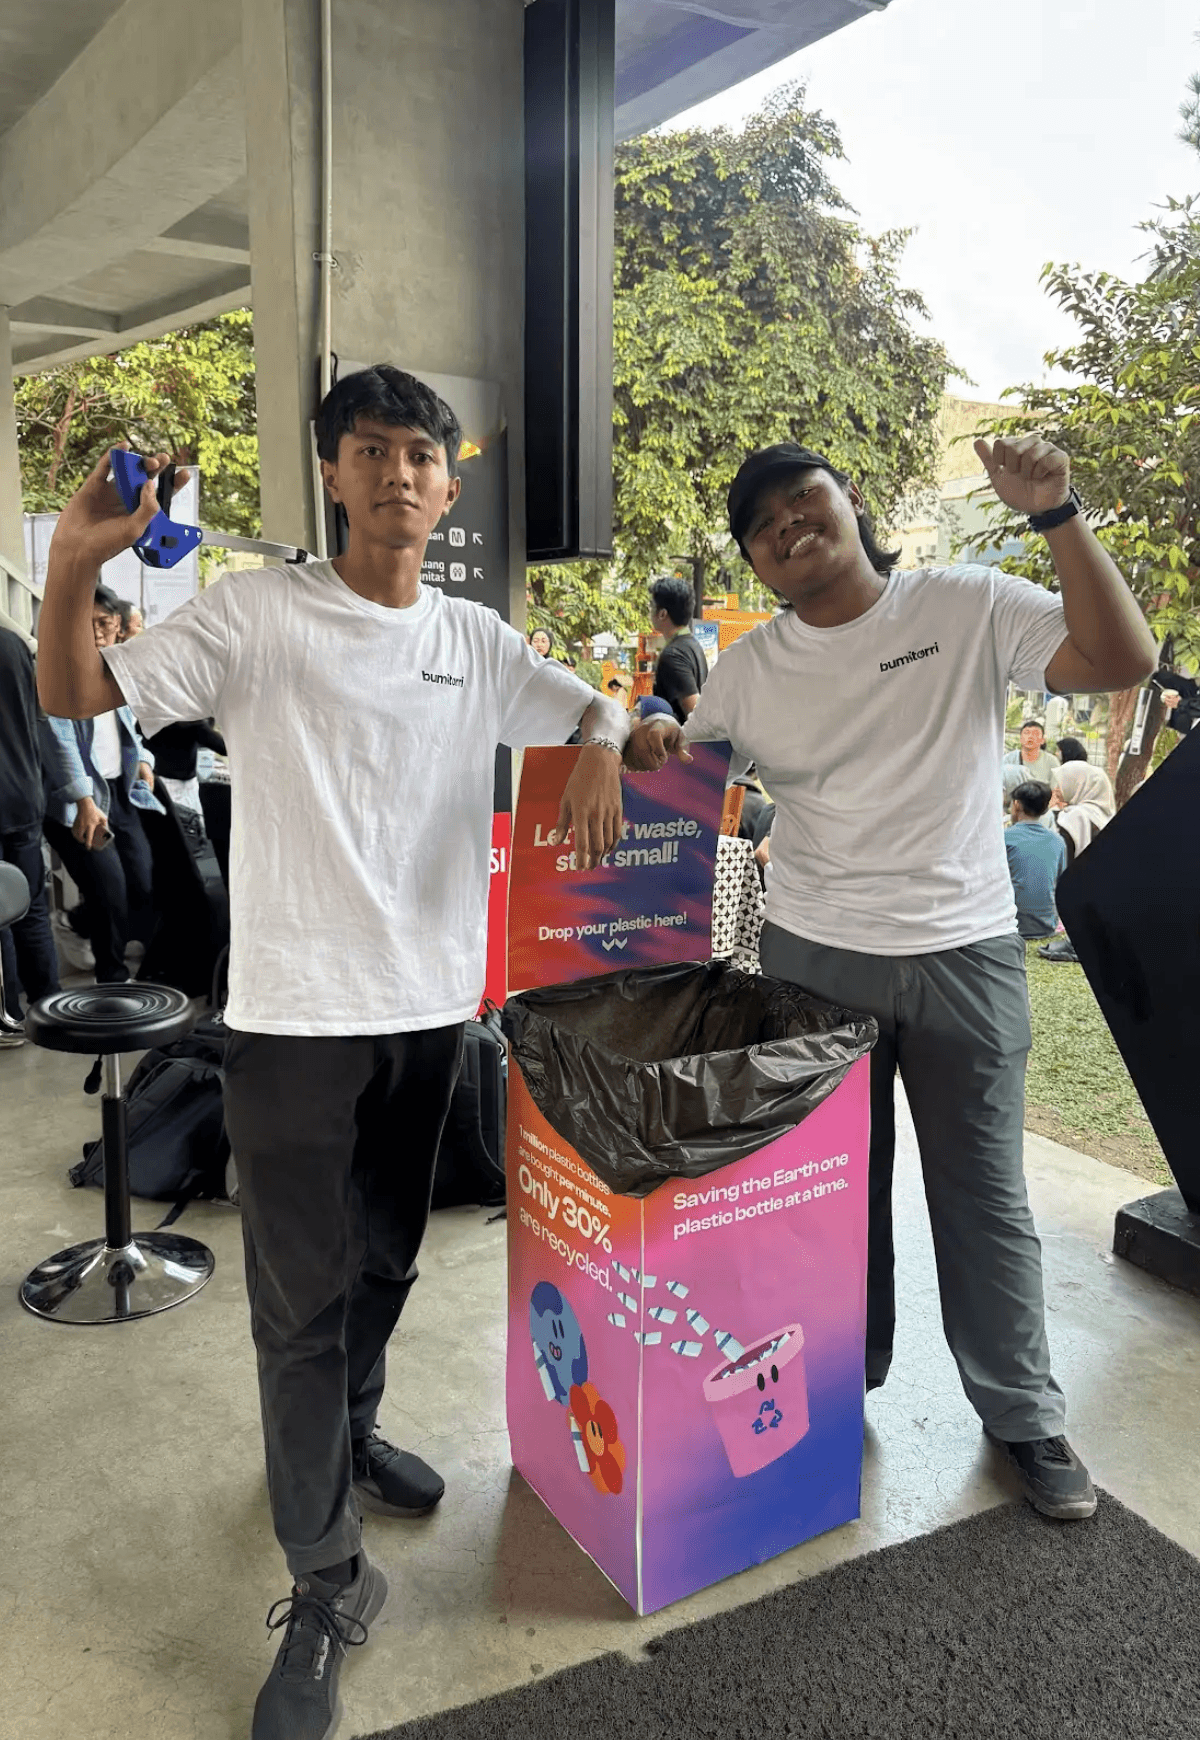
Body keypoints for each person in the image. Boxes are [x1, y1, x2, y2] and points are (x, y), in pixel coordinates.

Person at [36, 363, 627, 1740]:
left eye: (421, 454)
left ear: (448, 484)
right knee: (298, 1307)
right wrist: (72, 562)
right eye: (372, 450)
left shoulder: (475, 638)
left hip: (431, 1015)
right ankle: (324, 1577)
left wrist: (601, 739)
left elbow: (586, 708)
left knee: (387, 1262)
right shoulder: (260, 614)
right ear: (333, 474)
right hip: (295, 1021)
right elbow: (76, 686)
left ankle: (347, 1436)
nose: (399, 473)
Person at [626, 433, 1157, 1524]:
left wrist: (1058, 516)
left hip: (965, 952)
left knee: (985, 1197)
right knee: (825, 1199)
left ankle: (1021, 1412)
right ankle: (836, 1381)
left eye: (801, 498)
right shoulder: (751, 669)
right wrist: (650, 733)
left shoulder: (963, 603)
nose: (787, 525)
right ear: (753, 561)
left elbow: (1121, 659)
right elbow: (684, 772)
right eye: (761, 525)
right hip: (813, 960)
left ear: (849, 498)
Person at [40, 587, 163, 984]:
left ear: (117, 626)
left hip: (119, 795)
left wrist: (143, 760)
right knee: (109, 892)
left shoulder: (115, 669)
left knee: (143, 882)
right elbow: (58, 741)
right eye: (87, 623)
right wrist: (84, 800)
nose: (96, 631)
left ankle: (76, 923)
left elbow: (131, 728)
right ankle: (113, 981)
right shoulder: (56, 671)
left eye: (104, 623)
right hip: (78, 803)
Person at [0, 624, 62, 1043]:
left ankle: (8, 1016)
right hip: (24, 789)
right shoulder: (15, 645)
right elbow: (37, 716)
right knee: (31, 905)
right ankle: (49, 1005)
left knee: (1, 914)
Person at [1037, 762, 1116, 962]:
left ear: (1079, 784)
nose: (1057, 788)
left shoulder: (1075, 816)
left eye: (1063, 783)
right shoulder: (1105, 815)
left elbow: (1058, 856)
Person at [1004, 781, 1067, 940]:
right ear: (1045, 809)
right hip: (1047, 926)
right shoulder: (1058, 841)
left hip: (1010, 926)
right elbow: (1060, 885)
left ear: (1016, 805)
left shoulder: (1004, 838)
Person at [650, 574, 708, 724]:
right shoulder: (693, 645)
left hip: (678, 738)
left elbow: (695, 713)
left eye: (652, 606)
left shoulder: (673, 655)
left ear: (662, 614)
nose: (650, 611)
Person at [1001, 719, 1060, 809]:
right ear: (1020, 738)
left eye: (1036, 733)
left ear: (1043, 740)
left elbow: (1056, 792)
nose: (1031, 736)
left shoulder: (1052, 761)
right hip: (1013, 811)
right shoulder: (1008, 760)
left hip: (1041, 811)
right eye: (1027, 733)